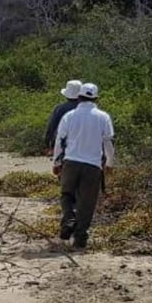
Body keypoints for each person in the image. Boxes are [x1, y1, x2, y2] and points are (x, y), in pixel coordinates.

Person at [51, 81, 114, 248]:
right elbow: (108, 142)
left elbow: (59, 140)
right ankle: (80, 237)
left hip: (71, 162)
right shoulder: (103, 117)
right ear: (96, 98)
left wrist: (56, 161)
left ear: (78, 97)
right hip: (92, 165)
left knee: (66, 194)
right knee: (87, 202)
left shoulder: (69, 116)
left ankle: (69, 219)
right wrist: (110, 162)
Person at [43, 79, 85, 156]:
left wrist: (47, 143)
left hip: (64, 144)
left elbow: (52, 126)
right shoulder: (88, 110)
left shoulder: (60, 108)